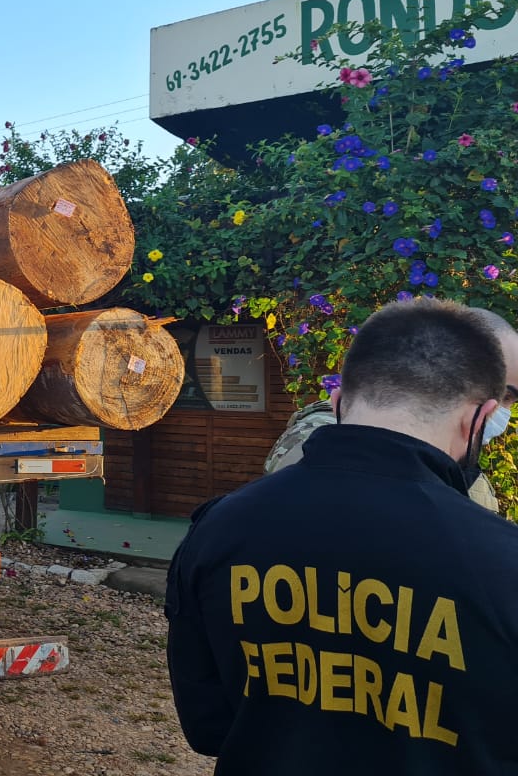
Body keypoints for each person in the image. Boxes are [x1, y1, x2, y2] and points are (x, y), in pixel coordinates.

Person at [166, 298, 518, 773]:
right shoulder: (502, 560)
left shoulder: (218, 527)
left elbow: (207, 727)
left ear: (336, 403)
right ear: (480, 418)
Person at [264, 306, 518, 512]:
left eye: (509, 399)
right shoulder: (319, 441)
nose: (500, 409)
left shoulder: (463, 460)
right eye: (500, 393)